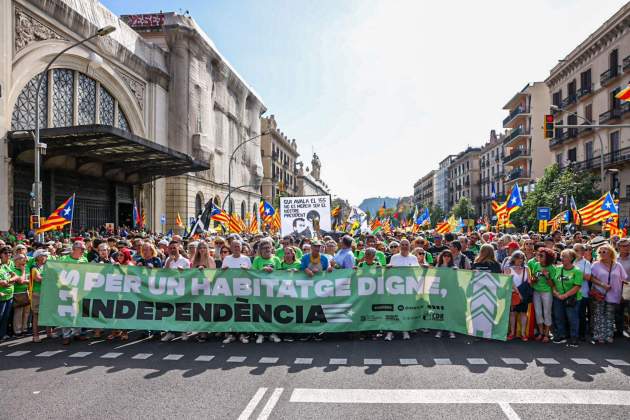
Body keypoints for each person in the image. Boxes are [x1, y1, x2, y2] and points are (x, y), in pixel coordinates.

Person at [590, 244, 627, 344]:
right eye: (600, 252)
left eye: (604, 251)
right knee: (599, 315)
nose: (601, 253)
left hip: (614, 294)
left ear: (610, 252)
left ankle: (608, 335)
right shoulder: (595, 264)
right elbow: (591, 277)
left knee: (610, 315)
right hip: (599, 294)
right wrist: (602, 284)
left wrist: (623, 294)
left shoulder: (618, 265)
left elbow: (624, 279)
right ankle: (599, 335)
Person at [385, 239, 418, 341]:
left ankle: (405, 330)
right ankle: (390, 332)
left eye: (406, 245)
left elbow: (418, 272)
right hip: (396, 288)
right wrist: (388, 267)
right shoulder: (394, 257)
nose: (404, 246)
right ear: (399, 246)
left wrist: (424, 266)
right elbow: (388, 270)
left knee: (406, 310)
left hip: (408, 289)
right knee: (393, 310)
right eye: (402, 245)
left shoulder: (413, 258)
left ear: (409, 246)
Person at [221, 240, 252, 344]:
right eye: (234, 246)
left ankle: (243, 334)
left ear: (241, 247)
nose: (236, 248)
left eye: (238, 246)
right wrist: (224, 270)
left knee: (242, 311)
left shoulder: (246, 258)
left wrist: (247, 269)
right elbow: (222, 273)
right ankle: (231, 334)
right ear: (231, 248)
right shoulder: (227, 258)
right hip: (230, 289)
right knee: (231, 311)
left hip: (243, 290)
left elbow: (252, 274)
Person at [58, 241, 88, 345]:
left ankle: (77, 333)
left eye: (84, 249)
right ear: (75, 249)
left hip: (79, 290)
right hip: (66, 290)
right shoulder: (64, 259)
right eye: (82, 249)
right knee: (66, 312)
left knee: (78, 312)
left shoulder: (84, 259)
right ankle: (66, 335)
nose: (84, 251)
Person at [551, 249, 583, 347]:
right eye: (561, 256)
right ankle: (561, 335)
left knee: (572, 318)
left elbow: (577, 286)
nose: (562, 258)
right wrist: (556, 292)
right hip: (558, 297)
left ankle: (574, 338)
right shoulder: (557, 268)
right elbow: (552, 282)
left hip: (572, 298)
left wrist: (565, 295)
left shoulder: (577, 271)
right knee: (558, 317)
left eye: (564, 256)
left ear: (571, 258)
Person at [161, 241, 191, 342]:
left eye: (174, 248)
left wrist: (183, 272)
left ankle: (183, 332)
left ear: (179, 248)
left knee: (181, 312)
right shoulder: (168, 260)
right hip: (170, 290)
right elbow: (163, 274)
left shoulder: (185, 261)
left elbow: (190, 276)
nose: (173, 250)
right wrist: (168, 262)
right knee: (170, 312)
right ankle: (170, 332)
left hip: (182, 290)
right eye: (171, 248)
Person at [504, 251, 532, 341]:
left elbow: (529, 281)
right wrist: (518, 293)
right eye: (518, 257)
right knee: (512, 313)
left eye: (522, 258)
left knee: (524, 313)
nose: (520, 260)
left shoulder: (526, 268)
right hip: (513, 294)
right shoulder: (507, 268)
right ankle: (512, 333)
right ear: (513, 258)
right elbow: (510, 282)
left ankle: (523, 333)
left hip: (524, 294)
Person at [530, 247, 556, 343]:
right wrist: (534, 279)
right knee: (538, 312)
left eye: (541, 256)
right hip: (536, 291)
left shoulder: (552, 268)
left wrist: (547, 276)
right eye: (538, 255)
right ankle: (541, 333)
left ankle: (546, 334)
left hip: (547, 292)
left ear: (548, 258)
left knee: (547, 312)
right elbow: (533, 279)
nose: (539, 257)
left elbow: (552, 284)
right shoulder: (536, 265)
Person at [29, 249, 51, 342]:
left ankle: (49, 332)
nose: (46, 257)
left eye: (46, 255)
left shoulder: (47, 266)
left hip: (47, 292)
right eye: (44, 255)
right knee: (36, 315)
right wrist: (49, 277)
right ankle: (35, 336)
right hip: (37, 293)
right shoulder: (34, 267)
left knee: (48, 312)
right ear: (38, 257)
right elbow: (38, 279)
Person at [434, 249, 456, 339]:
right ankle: (440, 330)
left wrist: (456, 272)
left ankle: (451, 330)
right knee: (440, 311)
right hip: (439, 291)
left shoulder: (454, 267)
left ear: (451, 258)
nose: (446, 258)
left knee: (450, 312)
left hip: (450, 292)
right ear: (441, 257)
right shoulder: (438, 266)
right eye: (445, 256)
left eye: (448, 256)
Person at [573, 243, 592, 341]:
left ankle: (582, 334)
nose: (574, 252)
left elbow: (588, 277)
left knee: (581, 314)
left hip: (582, 293)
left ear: (583, 252)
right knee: (572, 314)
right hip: (570, 292)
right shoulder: (570, 260)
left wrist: (573, 273)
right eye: (574, 250)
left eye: (577, 250)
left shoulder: (586, 263)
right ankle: (572, 333)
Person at [10, 253, 31, 337]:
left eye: (24, 258)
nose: (24, 260)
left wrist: (25, 279)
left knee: (26, 312)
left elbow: (29, 279)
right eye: (22, 258)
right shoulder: (13, 269)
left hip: (27, 292)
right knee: (19, 313)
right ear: (16, 260)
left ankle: (24, 329)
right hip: (18, 293)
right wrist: (23, 272)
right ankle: (17, 331)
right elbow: (20, 281)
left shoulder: (26, 268)